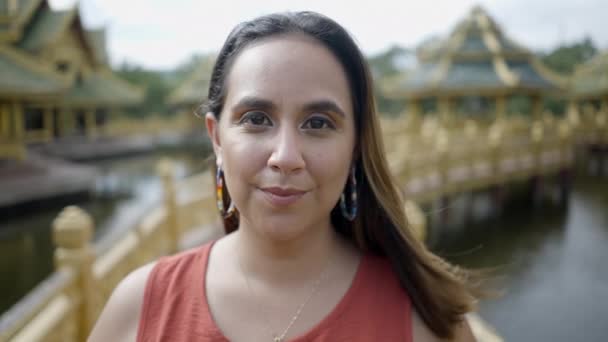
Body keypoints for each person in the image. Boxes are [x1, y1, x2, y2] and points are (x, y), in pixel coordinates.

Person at [89, 11, 479, 342]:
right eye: (256, 119)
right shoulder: (140, 309)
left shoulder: (424, 320)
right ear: (217, 139)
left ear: (355, 146)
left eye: (318, 123)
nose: (286, 157)